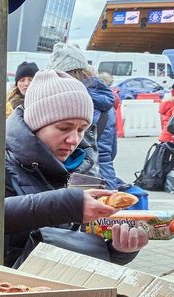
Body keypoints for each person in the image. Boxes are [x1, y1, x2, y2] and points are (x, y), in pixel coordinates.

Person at [0, 70, 149, 268]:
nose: (74, 140)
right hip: (3, 289)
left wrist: (119, 250)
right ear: (35, 124)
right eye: (63, 128)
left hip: (64, 291)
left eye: (81, 129)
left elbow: (85, 249)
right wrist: (70, 204)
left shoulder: (85, 173)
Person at [49, 43, 120, 189]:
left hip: (78, 181)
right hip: (106, 179)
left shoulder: (65, 99)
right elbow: (112, 150)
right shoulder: (107, 102)